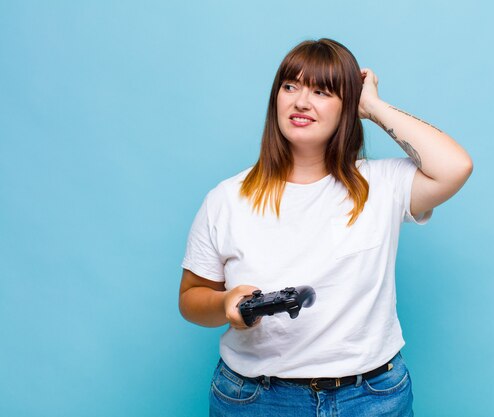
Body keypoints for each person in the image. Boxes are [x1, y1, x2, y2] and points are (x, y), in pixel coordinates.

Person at [179, 38, 472, 417]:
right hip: (256, 399)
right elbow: (191, 297)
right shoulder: (226, 198)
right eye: (290, 87)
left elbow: (456, 166)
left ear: (347, 107)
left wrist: (373, 108)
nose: (301, 101)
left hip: (371, 397)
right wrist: (224, 302)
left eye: (322, 91)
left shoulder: (380, 185)